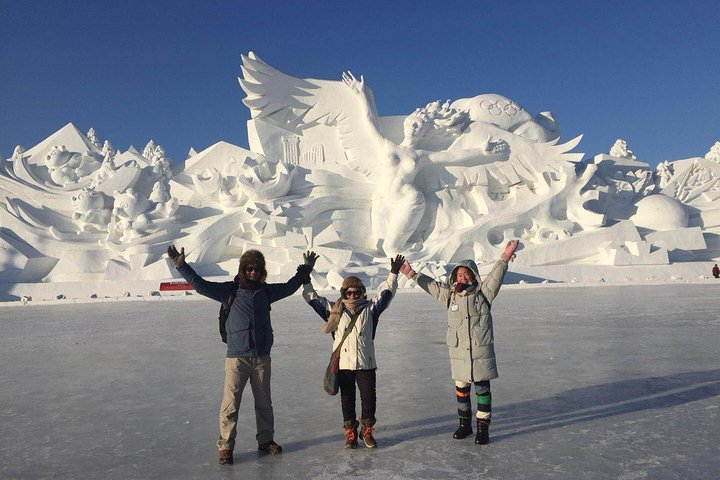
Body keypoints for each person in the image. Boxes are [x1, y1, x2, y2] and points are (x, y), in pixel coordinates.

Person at [166, 245, 313, 465]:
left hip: (262, 357)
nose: (253, 272)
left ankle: (266, 440)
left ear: (262, 271)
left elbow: (290, 286)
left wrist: (306, 270)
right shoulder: (230, 291)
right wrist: (182, 266)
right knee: (230, 404)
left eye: (257, 268)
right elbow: (200, 285)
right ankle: (226, 446)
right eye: (249, 268)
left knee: (264, 403)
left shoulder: (266, 292)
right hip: (237, 358)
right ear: (243, 269)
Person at [399, 240, 519, 445]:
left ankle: (483, 428)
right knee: (462, 391)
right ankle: (465, 425)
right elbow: (432, 287)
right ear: (453, 278)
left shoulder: (483, 295)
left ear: (473, 276)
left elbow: (495, 278)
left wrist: (505, 257)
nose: (462, 278)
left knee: (482, 390)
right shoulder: (450, 297)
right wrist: (411, 274)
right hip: (459, 354)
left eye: (466, 274)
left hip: (480, 352)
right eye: (459, 275)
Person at [302, 253, 404, 449]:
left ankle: (366, 430)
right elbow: (312, 298)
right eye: (348, 292)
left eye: (357, 292)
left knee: (368, 399)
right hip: (344, 364)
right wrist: (306, 274)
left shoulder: (371, 309)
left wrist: (393, 274)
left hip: (366, 362)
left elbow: (387, 293)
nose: (352, 296)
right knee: (347, 399)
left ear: (363, 293)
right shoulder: (334, 310)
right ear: (342, 293)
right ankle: (350, 432)